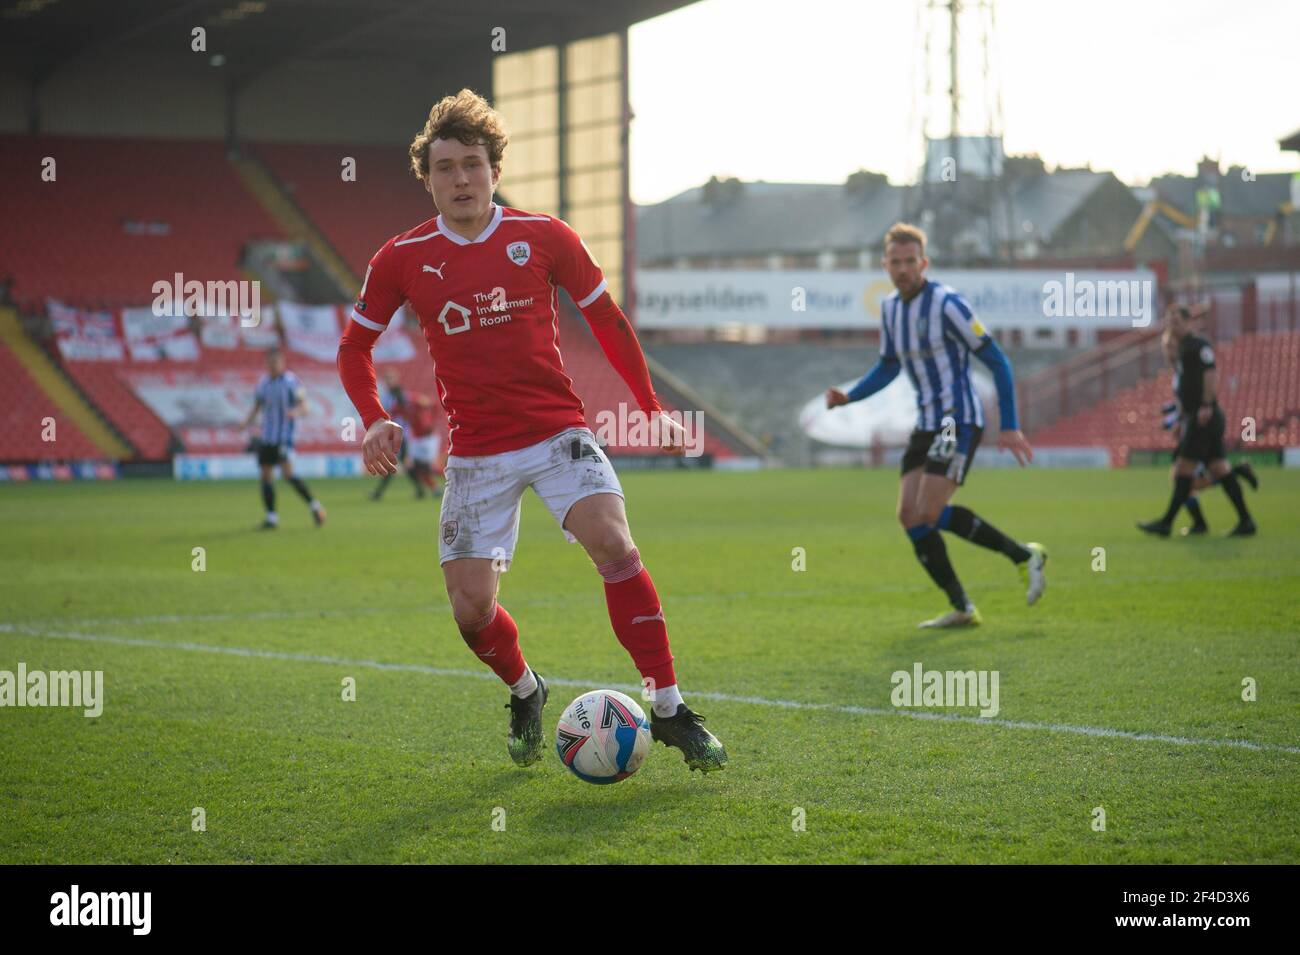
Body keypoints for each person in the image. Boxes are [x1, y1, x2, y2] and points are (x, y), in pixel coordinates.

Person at [336, 89, 725, 772]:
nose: (461, 179)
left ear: (495, 170)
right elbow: (352, 348)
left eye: (473, 164)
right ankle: (526, 689)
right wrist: (372, 418)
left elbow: (606, 319)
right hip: (477, 453)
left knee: (612, 540)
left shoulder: (543, 236)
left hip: (556, 433)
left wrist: (649, 404)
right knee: (470, 610)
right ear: (427, 178)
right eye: (446, 167)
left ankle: (667, 706)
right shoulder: (401, 257)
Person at [825, 222, 1046, 628]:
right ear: (885, 265)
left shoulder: (948, 304)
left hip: (957, 420)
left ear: (923, 262)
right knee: (910, 516)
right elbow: (889, 366)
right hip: (926, 422)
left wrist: (1010, 424)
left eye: (911, 261)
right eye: (896, 262)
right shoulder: (891, 308)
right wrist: (850, 396)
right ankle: (963, 606)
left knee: (927, 510)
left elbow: (997, 359)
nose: (903, 269)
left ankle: (1023, 555)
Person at [1139, 305, 1257, 537]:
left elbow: (1210, 374)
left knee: (1183, 470)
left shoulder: (1198, 346)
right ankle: (1246, 521)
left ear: (1188, 322)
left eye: (1177, 319)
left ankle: (1167, 523)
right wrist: (1183, 418)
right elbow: (1185, 387)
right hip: (1197, 417)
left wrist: (1205, 405)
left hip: (1204, 417)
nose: (1172, 322)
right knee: (1219, 469)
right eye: (1169, 319)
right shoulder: (1183, 349)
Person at [242, 347, 326, 529]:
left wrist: (296, 411)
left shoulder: (291, 382)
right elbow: (257, 406)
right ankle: (271, 517)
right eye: (270, 363)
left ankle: (315, 506)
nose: (273, 366)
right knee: (265, 475)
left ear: (282, 363)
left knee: (288, 474)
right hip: (267, 437)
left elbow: (305, 406)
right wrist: (246, 423)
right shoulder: (263, 383)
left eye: (276, 363)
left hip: (283, 437)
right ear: (267, 364)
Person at [369, 368, 418, 500]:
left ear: (396, 380)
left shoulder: (402, 395)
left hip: (402, 435)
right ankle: (421, 489)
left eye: (391, 378)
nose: (389, 381)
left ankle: (378, 493)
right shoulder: (385, 396)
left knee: (395, 462)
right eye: (387, 379)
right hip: (391, 435)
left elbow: (409, 414)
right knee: (400, 463)